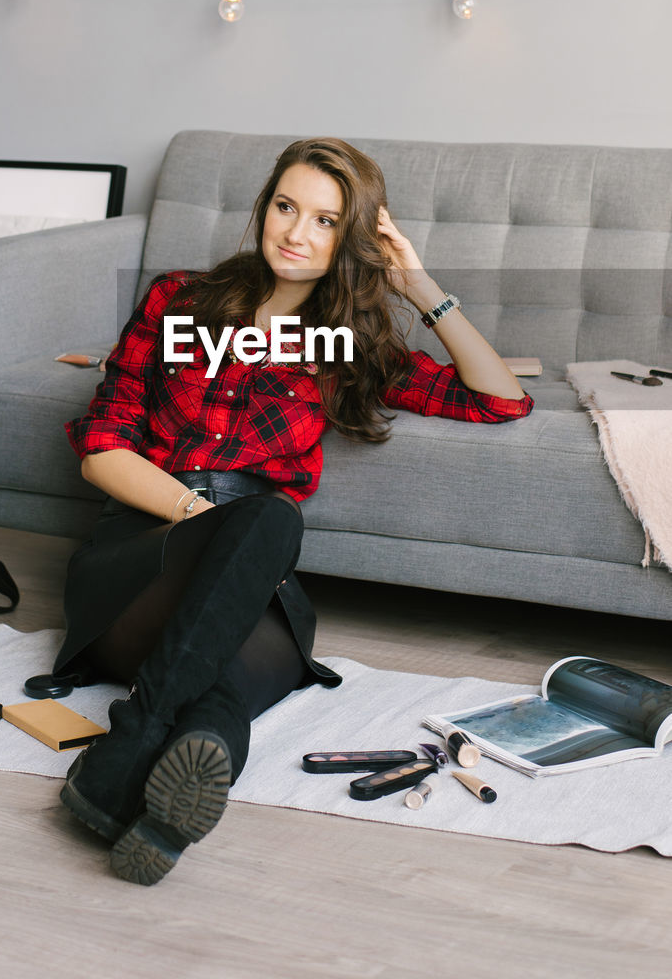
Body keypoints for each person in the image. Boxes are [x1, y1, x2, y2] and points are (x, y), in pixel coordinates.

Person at [55, 138, 533, 885]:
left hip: (250, 568)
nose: (295, 233)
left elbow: (500, 399)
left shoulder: (350, 344)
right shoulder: (175, 298)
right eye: (285, 207)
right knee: (271, 523)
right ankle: (141, 740)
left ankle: (131, 790)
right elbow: (102, 448)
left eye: (324, 220)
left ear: (352, 238)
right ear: (264, 206)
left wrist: (419, 286)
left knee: (232, 661)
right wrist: (196, 514)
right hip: (144, 547)